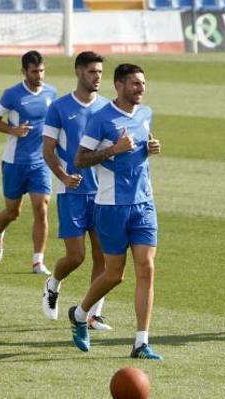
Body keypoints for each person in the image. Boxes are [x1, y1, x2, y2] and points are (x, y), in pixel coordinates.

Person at [67, 63, 162, 360]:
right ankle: (81, 315)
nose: (141, 88)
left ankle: (141, 342)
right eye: (135, 84)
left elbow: (140, 146)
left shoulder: (145, 114)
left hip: (144, 204)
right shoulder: (101, 119)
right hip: (110, 206)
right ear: (119, 86)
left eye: (143, 83)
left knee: (146, 268)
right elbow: (80, 160)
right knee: (114, 274)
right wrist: (113, 150)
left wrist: (150, 147)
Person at [41, 52, 112, 330]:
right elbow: (47, 149)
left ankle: (93, 314)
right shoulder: (59, 108)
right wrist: (63, 176)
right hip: (71, 192)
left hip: (103, 193)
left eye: (100, 73)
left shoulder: (107, 107)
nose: (97, 77)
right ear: (79, 72)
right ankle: (53, 283)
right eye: (93, 71)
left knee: (103, 258)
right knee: (76, 256)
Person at [0, 50, 58, 274]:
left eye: (41, 70)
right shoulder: (12, 95)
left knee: (42, 208)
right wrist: (13, 130)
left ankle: (38, 260)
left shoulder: (51, 93)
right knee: (12, 212)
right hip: (14, 162)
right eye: (34, 71)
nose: (39, 75)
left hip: (40, 162)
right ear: (24, 71)